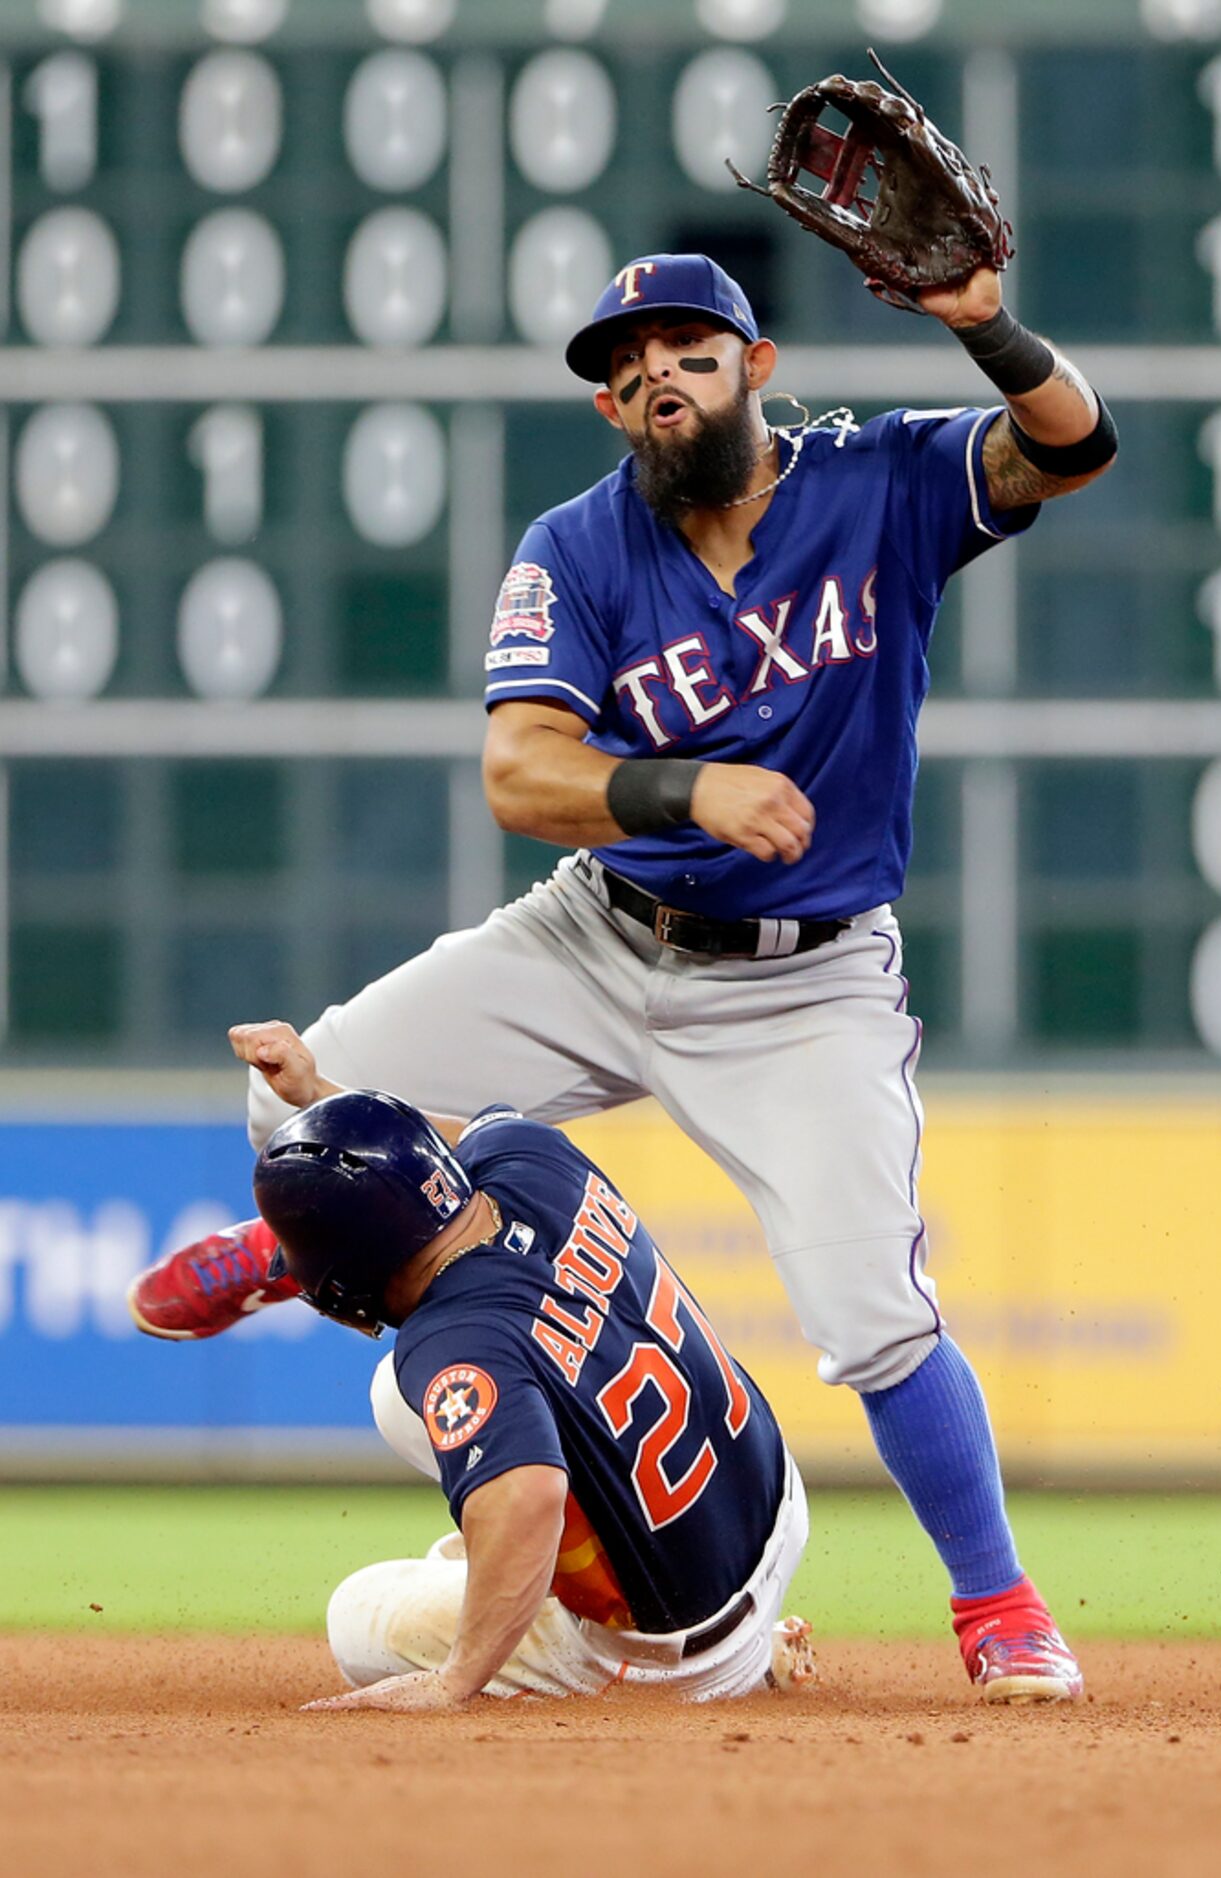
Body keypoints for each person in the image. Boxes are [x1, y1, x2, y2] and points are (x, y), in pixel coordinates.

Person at [131, 244, 1114, 1703]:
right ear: (607, 407)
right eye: (624, 364)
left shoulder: (876, 486)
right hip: (605, 928)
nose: (655, 374)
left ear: (753, 367)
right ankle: (307, 1248)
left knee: (872, 1311)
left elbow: (1071, 447)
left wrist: (986, 327)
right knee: (310, 1091)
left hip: (804, 980)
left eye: (686, 349)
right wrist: (689, 793)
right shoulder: (578, 546)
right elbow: (519, 771)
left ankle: (998, 1602)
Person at [236, 1019, 816, 1707]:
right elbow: (447, 1145)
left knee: (357, 1613)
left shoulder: (452, 1338)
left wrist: (453, 1682)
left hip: (682, 1650)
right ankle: (528, 1577)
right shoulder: (530, 1156)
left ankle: (738, 1669)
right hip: (772, 1500)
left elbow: (530, 1495)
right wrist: (320, 1095)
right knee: (469, 1448)